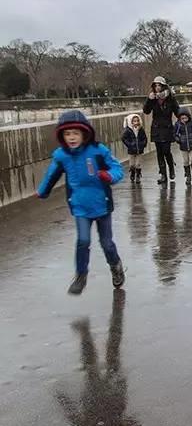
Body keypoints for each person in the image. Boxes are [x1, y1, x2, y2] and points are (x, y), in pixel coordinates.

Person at [37, 110, 125, 295]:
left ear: (84, 133)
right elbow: (51, 174)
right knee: (83, 241)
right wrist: (43, 191)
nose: (71, 138)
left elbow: (117, 168)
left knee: (106, 243)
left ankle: (115, 265)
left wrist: (109, 176)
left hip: (102, 204)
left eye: (75, 133)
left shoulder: (98, 151)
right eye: (67, 134)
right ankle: (81, 276)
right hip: (80, 206)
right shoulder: (62, 155)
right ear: (62, 136)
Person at [142, 76, 180, 185]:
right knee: (159, 152)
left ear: (163, 86)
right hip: (156, 128)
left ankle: (171, 167)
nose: (157, 88)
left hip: (167, 127)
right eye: (155, 86)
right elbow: (146, 111)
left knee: (166, 151)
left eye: (159, 85)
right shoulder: (152, 98)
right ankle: (163, 175)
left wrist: (183, 118)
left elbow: (177, 111)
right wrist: (149, 100)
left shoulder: (170, 97)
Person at [174, 106, 192, 187]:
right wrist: (178, 140)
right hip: (183, 146)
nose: (184, 120)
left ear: (188, 117)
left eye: (185, 118)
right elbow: (175, 134)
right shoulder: (178, 125)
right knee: (186, 161)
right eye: (182, 118)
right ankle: (188, 175)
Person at [121, 113, 147, 183]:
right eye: (134, 121)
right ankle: (132, 172)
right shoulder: (128, 130)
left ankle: (138, 175)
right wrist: (129, 144)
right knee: (132, 164)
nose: (136, 123)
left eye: (137, 121)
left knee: (138, 164)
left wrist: (143, 144)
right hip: (131, 150)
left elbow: (144, 138)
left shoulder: (141, 129)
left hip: (139, 150)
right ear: (131, 122)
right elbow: (123, 138)